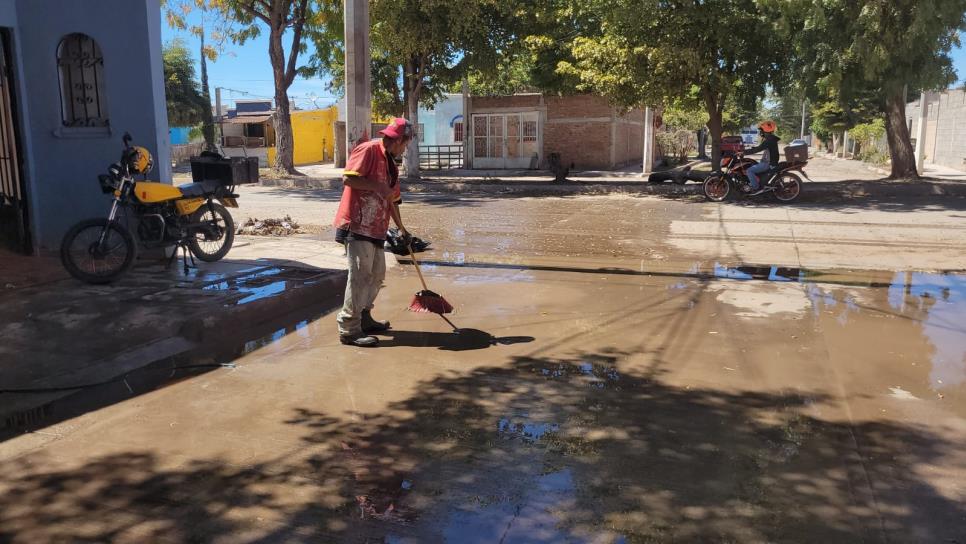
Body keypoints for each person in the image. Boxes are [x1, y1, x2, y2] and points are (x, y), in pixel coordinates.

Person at [334, 118, 413, 347]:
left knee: (377, 275)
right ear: (397, 140)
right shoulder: (368, 150)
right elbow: (348, 178)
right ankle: (349, 328)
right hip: (356, 224)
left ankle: (365, 317)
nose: (405, 148)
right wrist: (377, 186)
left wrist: (402, 229)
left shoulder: (391, 165)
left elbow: (393, 200)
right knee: (360, 277)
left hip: (377, 227)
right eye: (405, 144)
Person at [742, 120, 780, 195]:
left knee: (749, 171)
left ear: (765, 131)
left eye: (761, 130)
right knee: (752, 164)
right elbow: (759, 148)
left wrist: (744, 152)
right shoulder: (771, 139)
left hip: (768, 163)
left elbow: (757, 149)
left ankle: (755, 188)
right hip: (769, 162)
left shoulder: (769, 140)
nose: (760, 133)